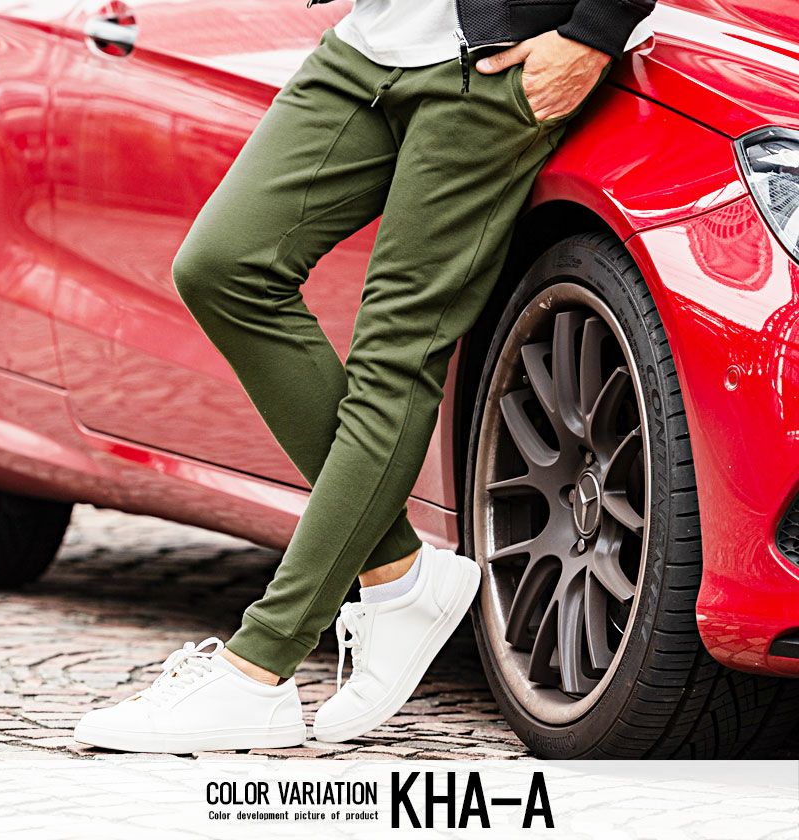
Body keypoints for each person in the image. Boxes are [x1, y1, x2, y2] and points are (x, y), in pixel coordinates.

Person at [74, 0, 655, 753]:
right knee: (224, 267)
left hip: (491, 66)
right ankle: (397, 572)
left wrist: (595, 33)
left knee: (396, 352)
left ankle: (259, 668)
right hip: (369, 44)